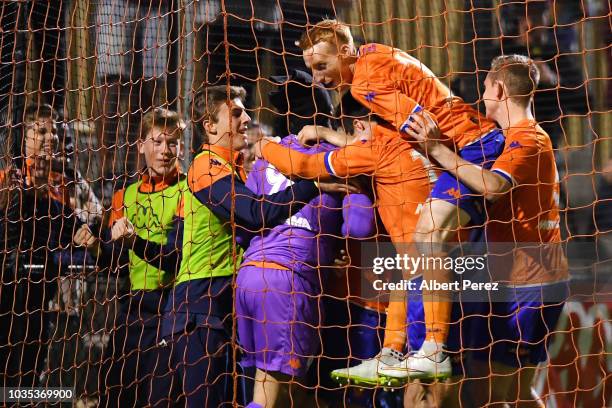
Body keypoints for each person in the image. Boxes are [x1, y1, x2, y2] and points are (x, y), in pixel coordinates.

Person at [123, 85, 352, 407]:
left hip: (223, 307)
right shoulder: (206, 167)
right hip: (199, 309)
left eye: (244, 111)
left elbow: (233, 235)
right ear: (210, 125)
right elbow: (258, 215)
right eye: (235, 113)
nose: (246, 118)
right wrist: (313, 184)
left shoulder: (234, 170)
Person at [403, 54, 568, 406]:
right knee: (499, 391)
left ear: (499, 89)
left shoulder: (527, 139)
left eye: (485, 87)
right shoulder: (514, 138)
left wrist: (437, 151)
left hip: (532, 282)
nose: (482, 94)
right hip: (514, 278)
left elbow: (493, 186)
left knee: (499, 393)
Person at [255, 92, 433, 388]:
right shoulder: (411, 145)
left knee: (313, 388)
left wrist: (263, 145)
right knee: (419, 385)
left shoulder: (366, 156)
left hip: (360, 294)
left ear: (358, 125)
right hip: (416, 278)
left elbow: (356, 227)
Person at [238, 131, 375, 407]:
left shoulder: (266, 157)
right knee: (269, 398)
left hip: (248, 276)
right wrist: (335, 245)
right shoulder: (339, 161)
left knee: (286, 390)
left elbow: (244, 226)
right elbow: (359, 229)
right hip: (288, 280)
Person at [75, 108, 187, 407]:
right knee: (114, 392)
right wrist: (95, 247)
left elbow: (174, 257)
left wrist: (135, 240)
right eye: (157, 141)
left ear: (182, 147)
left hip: (171, 309)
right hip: (132, 310)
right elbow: (115, 265)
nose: (165, 150)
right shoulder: (124, 196)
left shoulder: (189, 191)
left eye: (173, 142)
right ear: (141, 145)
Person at [0, 104, 91, 390]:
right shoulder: (6, 181)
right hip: (7, 299)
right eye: (40, 131)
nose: (50, 137)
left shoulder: (59, 188)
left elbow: (74, 232)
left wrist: (85, 234)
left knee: (29, 379)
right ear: (22, 138)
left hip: (39, 302)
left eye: (53, 131)